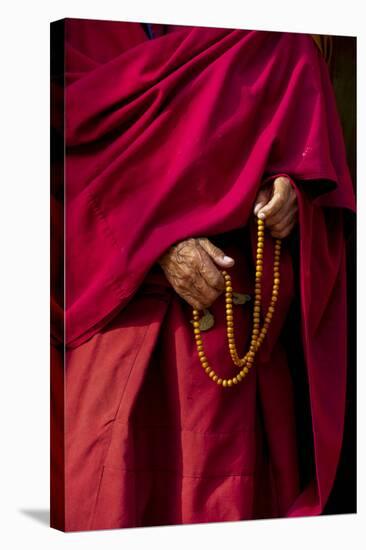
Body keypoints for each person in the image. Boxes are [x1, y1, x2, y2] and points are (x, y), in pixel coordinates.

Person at [50, 19, 355, 531]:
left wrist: (290, 199)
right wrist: (152, 244)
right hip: (123, 336)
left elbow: (313, 173)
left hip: (241, 345)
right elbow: (51, 171)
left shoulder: (277, 35)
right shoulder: (71, 32)